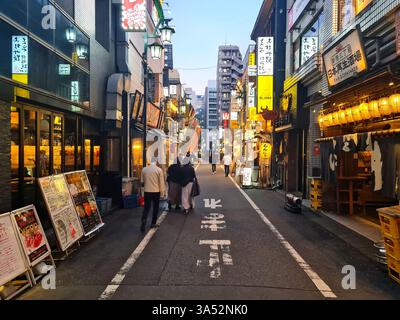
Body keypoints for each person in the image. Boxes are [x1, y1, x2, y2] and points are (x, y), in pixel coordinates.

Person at [140, 157, 165, 232]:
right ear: (156, 162)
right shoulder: (159, 170)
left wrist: (142, 192)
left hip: (147, 191)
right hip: (156, 191)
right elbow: (161, 183)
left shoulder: (144, 169)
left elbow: (142, 181)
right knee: (155, 207)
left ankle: (144, 220)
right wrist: (162, 193)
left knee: (146, 208)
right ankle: (153, 223)